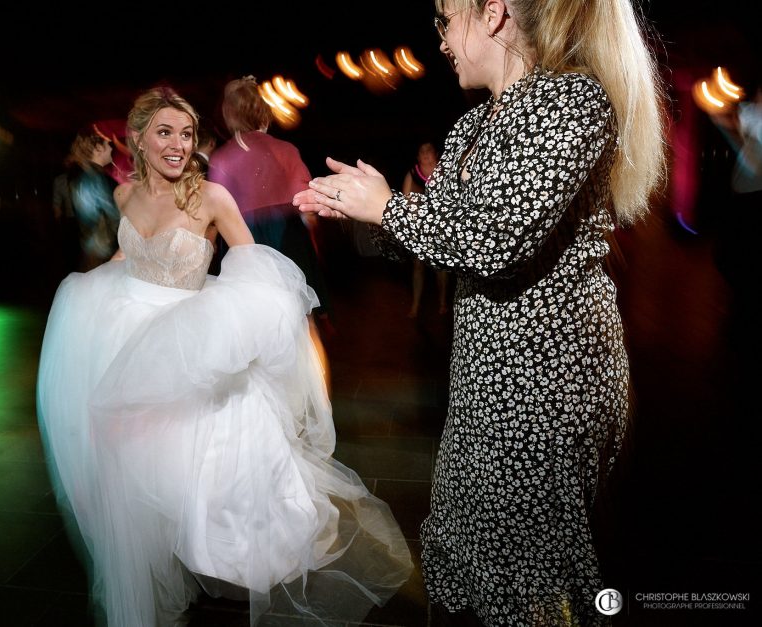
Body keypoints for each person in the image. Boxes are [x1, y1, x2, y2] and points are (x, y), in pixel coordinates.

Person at [293, 0, 666, 624]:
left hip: (549, 384)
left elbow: (493, 238)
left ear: (492, 13)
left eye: (445, 19)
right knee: (468, 539)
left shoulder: (572, 103)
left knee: (529, 573)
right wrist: (355, 216)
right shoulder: (473, 128)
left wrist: (388, 208)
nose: (439, 40)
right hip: (483, 377)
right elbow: (438, 232)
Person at [36, 86, 412, 627]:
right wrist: (88, 285)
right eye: (164, 132)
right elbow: (126, 253)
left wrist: (244, 321)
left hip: (187, 344)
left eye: (186, 134)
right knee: (138, 468)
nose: (178, 144)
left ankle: (222, 550)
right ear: (137, 139)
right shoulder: (123, 196)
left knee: (210, 470)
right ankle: (160, 553)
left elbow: (251, 260)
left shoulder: (211, 197)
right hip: (126, 340)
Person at [208, 76, 334, 320]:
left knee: (250, 318)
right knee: (298, 313)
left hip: (242, 243)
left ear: (229, 114)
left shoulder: (222, 159)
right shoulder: (286, 150)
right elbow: (306, 201)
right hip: (287, 238)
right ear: (263, 112)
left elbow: (215, 211)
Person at [402, 140, 451, 318]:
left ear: (436, 154)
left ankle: (443, 302)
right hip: (420, 229)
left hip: (441, 226)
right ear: (417, 157)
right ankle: (415, 305)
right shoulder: (412, 174)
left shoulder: (445, 172)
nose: (425, 154)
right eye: (421, 151)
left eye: (429, 150)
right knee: (418, 267)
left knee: (441, 267)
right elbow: (405, 204)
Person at [66, 124, 121, 271]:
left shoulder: (88, 175)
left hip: (94, 248)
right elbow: (114, 215)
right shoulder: (94, 178)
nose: (111, 148)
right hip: (101, 250)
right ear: (97, 148)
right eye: (107, 144)